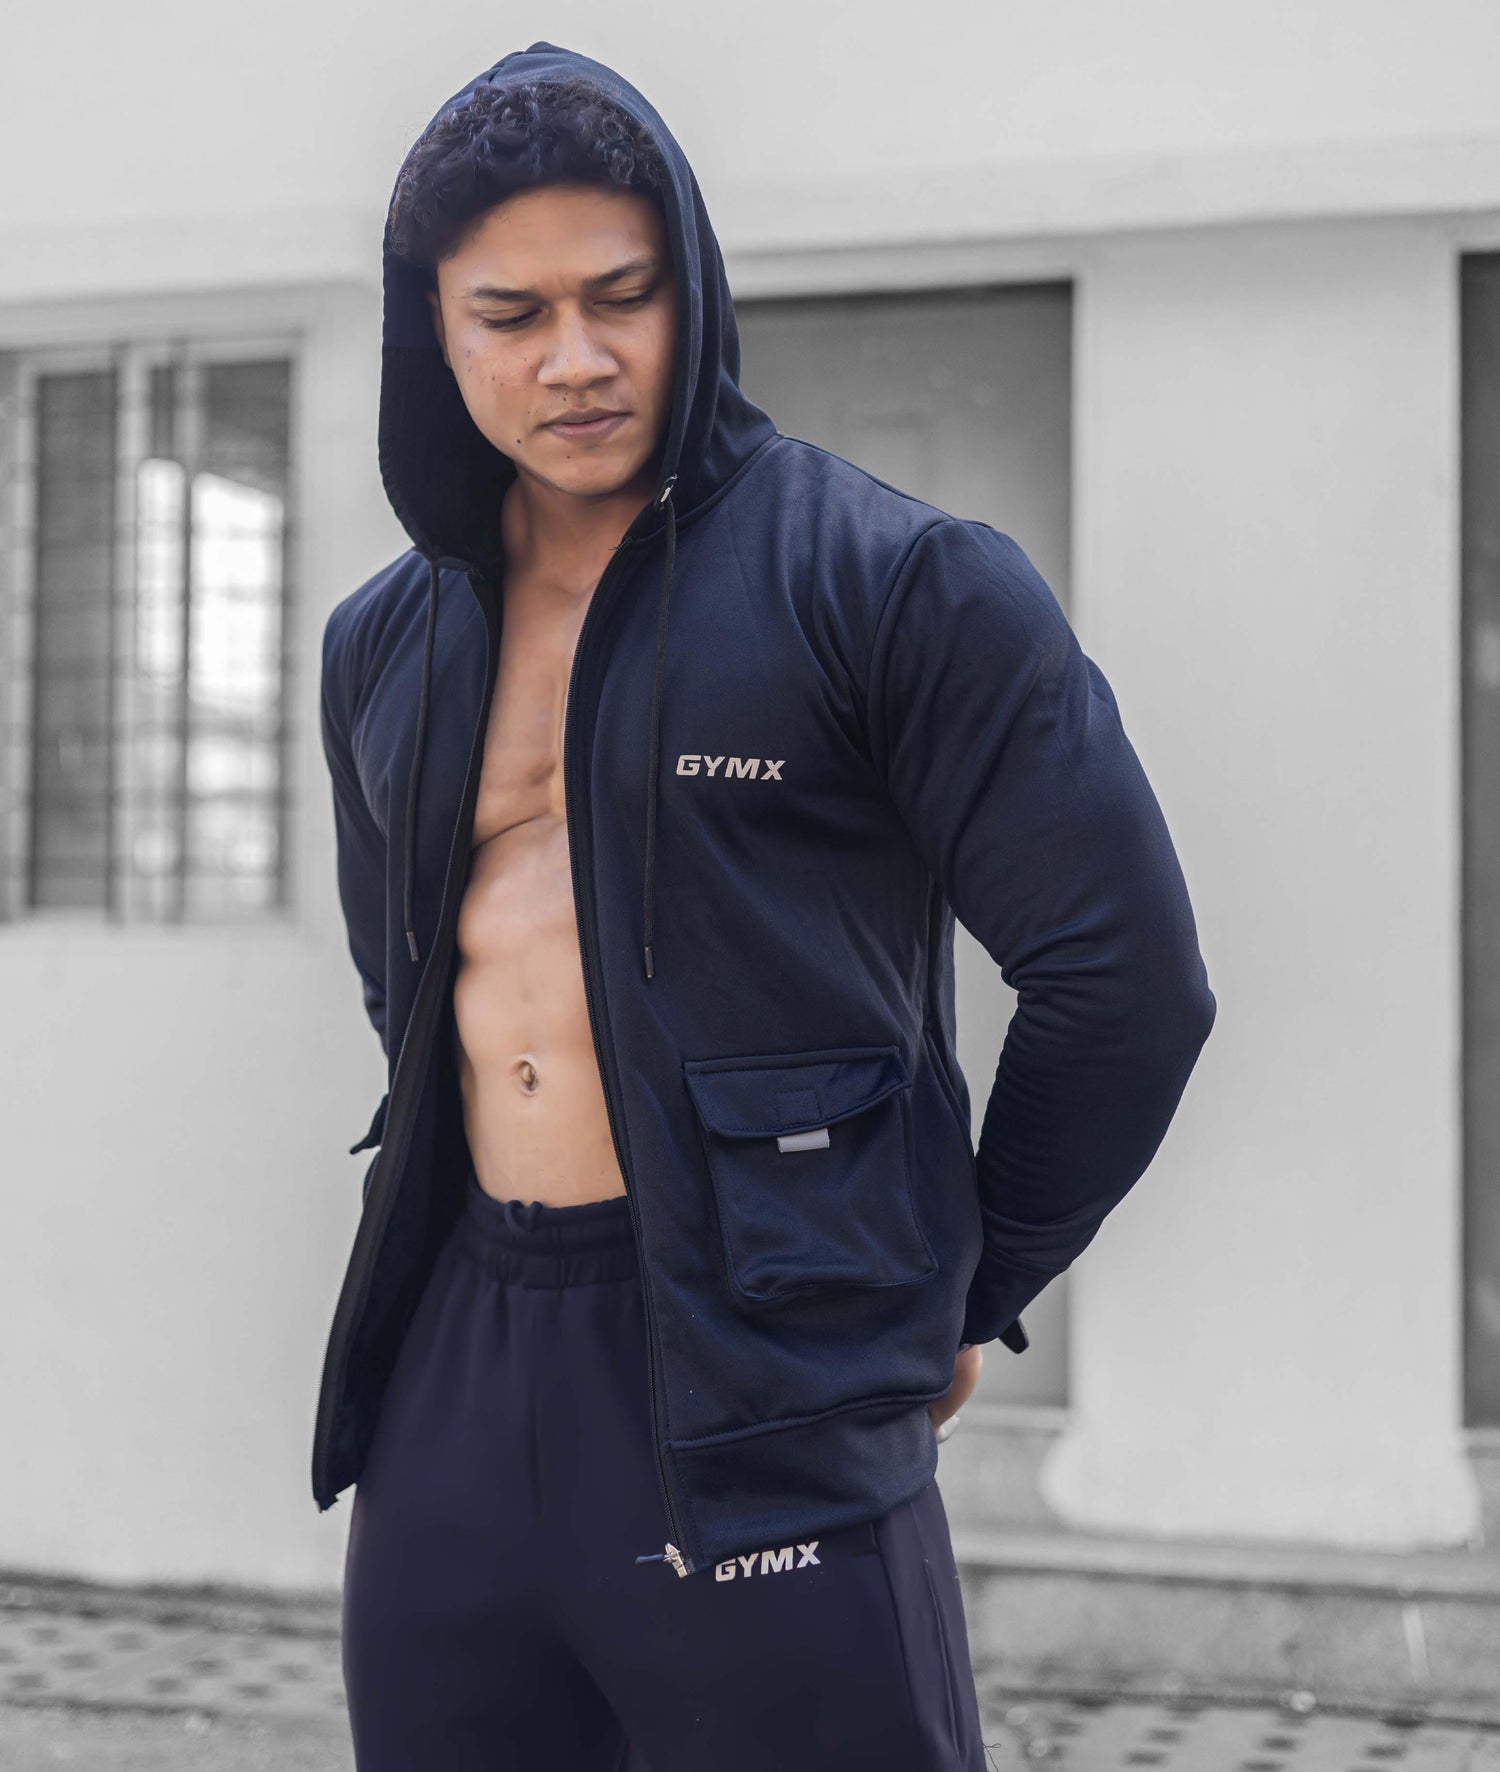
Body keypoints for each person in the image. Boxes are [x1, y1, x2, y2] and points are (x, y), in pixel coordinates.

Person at [314, 40, 1216, 1772]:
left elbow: (1126, 982)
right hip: (455, 1364)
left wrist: (964, 1285)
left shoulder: (895, 584)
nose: (576, 359)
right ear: (432, 328)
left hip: (766, 1380)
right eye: (511, 315)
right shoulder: (385, 640)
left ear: (696, 289)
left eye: (623, 297)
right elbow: (402, 984)